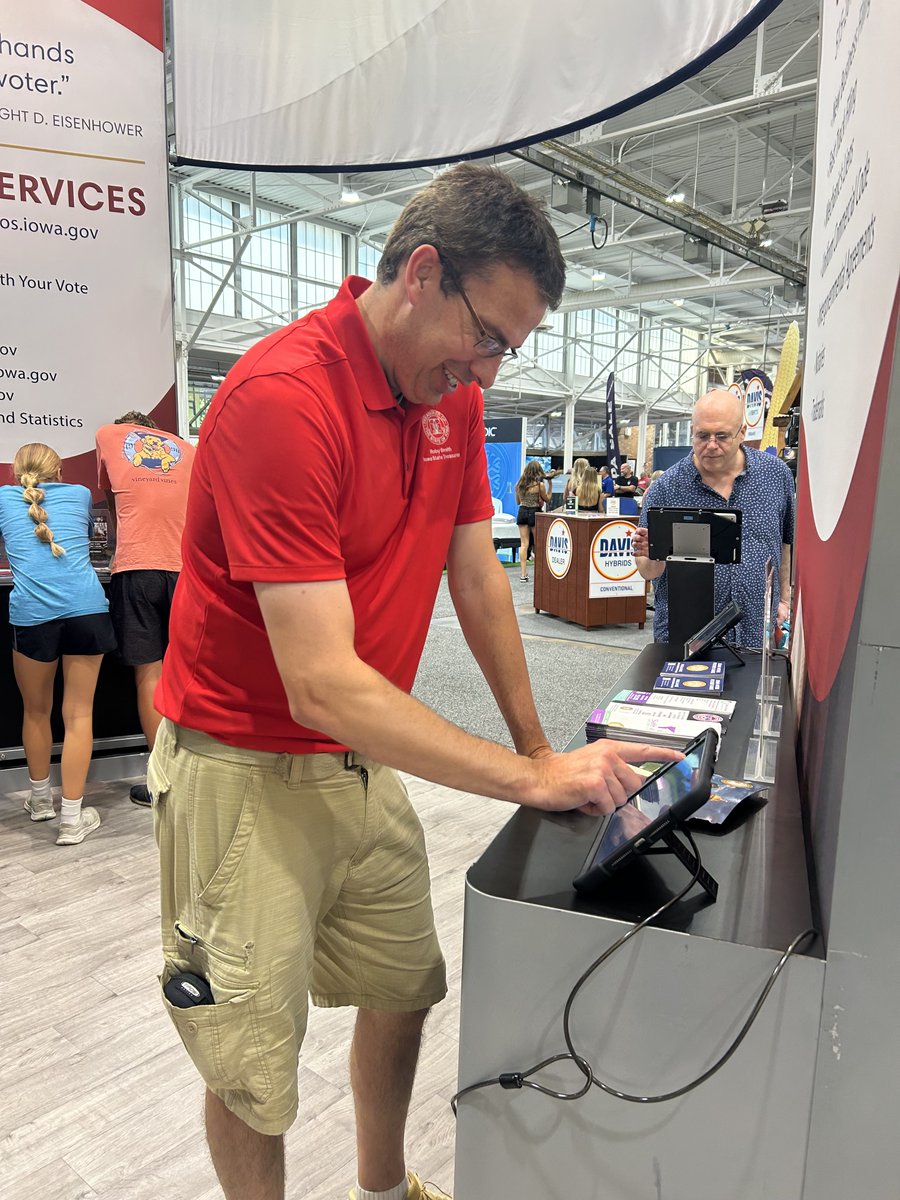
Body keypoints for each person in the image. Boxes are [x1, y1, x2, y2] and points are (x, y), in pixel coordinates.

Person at [147, 163, 679, 1200]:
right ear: (422, 272)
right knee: (252, 1060)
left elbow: (479, 578)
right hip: (244, 769)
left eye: (509, 350)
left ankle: (382, 1190)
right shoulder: (284, 401)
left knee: (405, 987)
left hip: (355, 762)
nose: (488, 369)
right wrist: (524, 783)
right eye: (488, 335)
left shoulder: (449, 399)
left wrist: (538, 747)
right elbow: (321, 684)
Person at [0, 443, 116, 844]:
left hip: (32, 616)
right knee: (79, 715)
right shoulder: (82, 494)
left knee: (35, 711)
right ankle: (71, 819)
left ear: (17, 472)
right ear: (59, 470)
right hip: (87, 610)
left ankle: (40, 801)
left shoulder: (2, 498)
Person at [631, 389, 795, 646]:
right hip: (687, 637)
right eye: (702, 435)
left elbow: (784, 542)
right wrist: (652, 553)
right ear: (692, 431)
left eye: (722, 436)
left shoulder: (775, 476)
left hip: (756, 634)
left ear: (742, 432)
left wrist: (784, 600)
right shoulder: (667, 488)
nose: (711, 445)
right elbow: (648, 571)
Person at [95, 411, 195, 806]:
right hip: (187, 571)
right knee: (191, 673)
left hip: (137, 568)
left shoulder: (111, 441)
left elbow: (113, 509)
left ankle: (160, 784)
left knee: (147, 674)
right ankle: (196, 774)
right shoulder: (186, 452)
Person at [515, 460, 552, 581]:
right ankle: (539, 573)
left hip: (522, 512)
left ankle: (523, 574)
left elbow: (518, 502)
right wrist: (550, 485)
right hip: (535, 513)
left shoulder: (519, 485)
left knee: (524, 544)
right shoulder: (539, 485)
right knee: (538, 544)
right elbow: (547, 499)